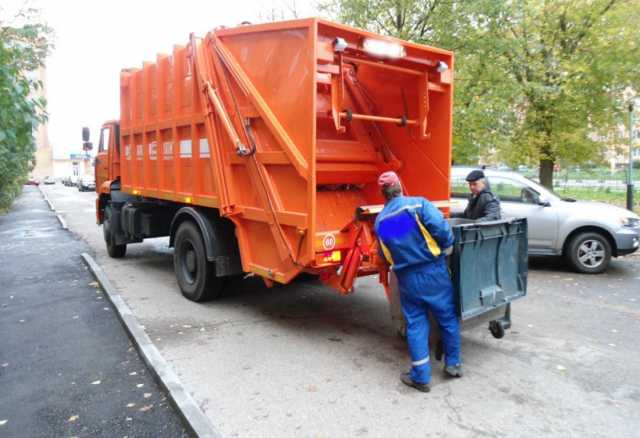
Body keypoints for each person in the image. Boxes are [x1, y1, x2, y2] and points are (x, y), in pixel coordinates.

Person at [374, 171, 462, 393]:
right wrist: (446, 245)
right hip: (433, 272)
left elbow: (385, 255)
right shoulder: (417, 205)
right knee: (447, 317)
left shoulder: (382, 221)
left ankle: (421, 376)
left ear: (383, 193)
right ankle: (453, 364)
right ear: (400, 186)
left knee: (415, 324)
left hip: (408, 279)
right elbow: (442, 230)